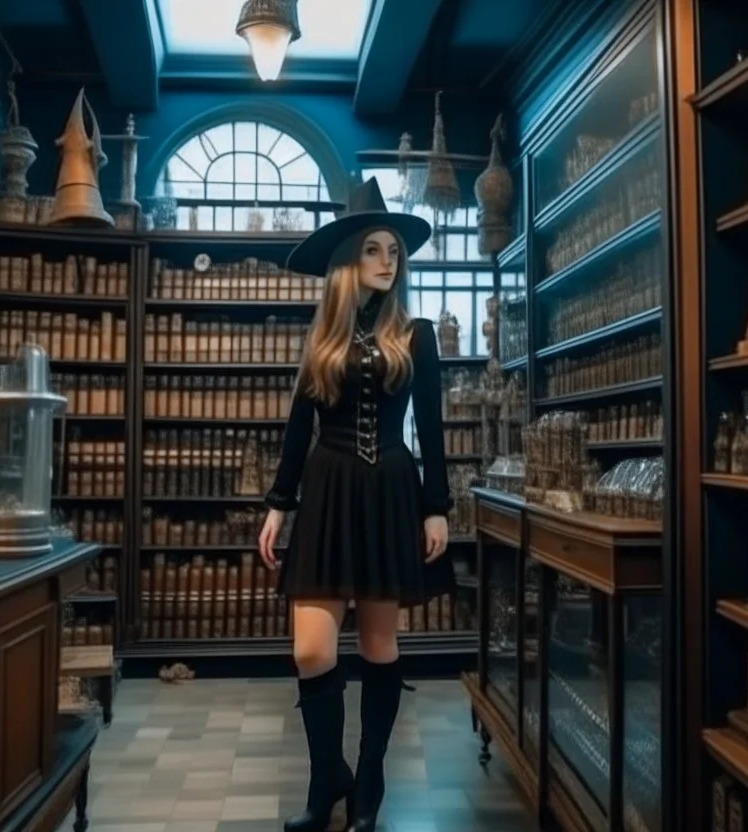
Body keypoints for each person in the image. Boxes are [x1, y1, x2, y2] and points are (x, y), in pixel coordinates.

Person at [258, 177, 455, 832]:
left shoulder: (417, 336)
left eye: (393, 251)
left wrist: (437, 507)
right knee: (312, 650)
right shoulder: (321, 337)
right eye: (373, 249)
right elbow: (297, 428)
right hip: (330, 486)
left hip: (392, 488)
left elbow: (431, 427)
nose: (386, 261)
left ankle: (366, 780)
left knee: (378, 645)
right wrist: (278, 505)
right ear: (348, 261)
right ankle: (328, 779)